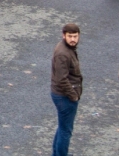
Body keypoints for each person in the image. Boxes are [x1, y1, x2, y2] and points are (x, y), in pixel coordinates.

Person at [51, 23, 83, 156]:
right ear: (63, 35)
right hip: (64, 96)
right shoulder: (63, 54)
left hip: (62, 94)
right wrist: (73, 95)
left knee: (62, 127)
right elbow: (61, 79)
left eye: (75, 36)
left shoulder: (67, 49)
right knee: (66, 131)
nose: (73, 39)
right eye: (70, 36)